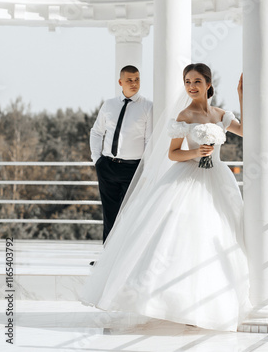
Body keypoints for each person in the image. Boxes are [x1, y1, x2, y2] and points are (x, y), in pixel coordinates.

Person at [81, 63, 252, 331]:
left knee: (216, 235)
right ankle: (172, 303)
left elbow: (249, 132)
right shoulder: (184, 115)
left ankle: (205, 303)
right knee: (182, 235)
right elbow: (173, 153)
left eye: (196, 81)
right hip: (187, 176)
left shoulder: (221, 115)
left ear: (208, 83)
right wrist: (196, 152)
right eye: (187, 81)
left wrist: (242, 95)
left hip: (217, 178)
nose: (191, 86)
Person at [89, 65, 152, 263]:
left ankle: (126, 259)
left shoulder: (148, 107)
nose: (134, 84)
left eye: (137, 79)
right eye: (129, 80)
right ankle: (108, 259)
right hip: (107, 166)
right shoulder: (108, 105)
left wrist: (145, 168)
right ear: (120, 82)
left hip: (133, 169)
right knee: (110, 214)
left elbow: (149, 141)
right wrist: (97, 159)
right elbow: (96, 132)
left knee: (129, 214)